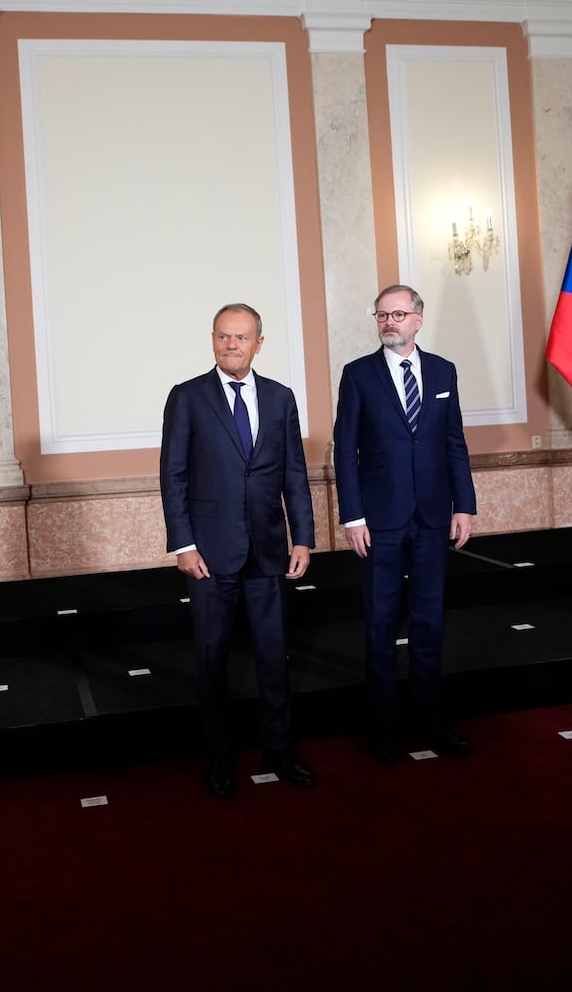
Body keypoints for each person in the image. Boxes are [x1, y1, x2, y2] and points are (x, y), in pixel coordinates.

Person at [160, 303, 317, 798]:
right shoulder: (186, 398)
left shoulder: (281, 398)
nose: (232, 345)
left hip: (269, 551)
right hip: (207, 554)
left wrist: (304, 537)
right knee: (212, 659)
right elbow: (173, 476)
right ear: (212, 340)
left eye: (242, 337)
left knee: (273, 656)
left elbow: (294, 473)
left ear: (259, 343)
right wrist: (182, 544)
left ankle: (280, 749)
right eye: (224, 337)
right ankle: (220, 756)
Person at [332, 284, 477, 764]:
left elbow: (454, 442)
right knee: (378, 622)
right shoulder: (357, 376)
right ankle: (384, 729)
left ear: (418, 319)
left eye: (397, 314)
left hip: (434, 517)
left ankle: (431, 721)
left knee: (430, 622)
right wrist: (352, 516)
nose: (388, 322)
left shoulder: (443, 371)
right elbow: (346, 454)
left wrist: (464, 505)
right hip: (379, 521)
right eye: (381, 316)